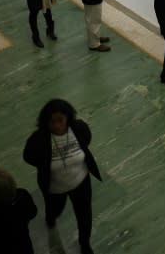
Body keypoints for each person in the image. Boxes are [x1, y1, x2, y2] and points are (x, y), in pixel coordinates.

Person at [23, 99, 101, 254]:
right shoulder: (38, 139)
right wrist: (44, 164)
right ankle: (50, 218)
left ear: (68, 118)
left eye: (61, 120)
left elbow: (87, 141)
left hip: (81, 183)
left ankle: (84, 244)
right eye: (53, 121)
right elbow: (28, 156)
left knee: (84, 216)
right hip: (55, 188)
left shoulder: (79, 129)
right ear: (46, 122)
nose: (57, 125)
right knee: (54, 210)